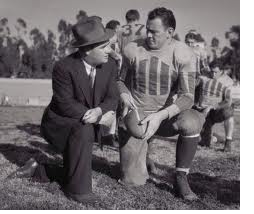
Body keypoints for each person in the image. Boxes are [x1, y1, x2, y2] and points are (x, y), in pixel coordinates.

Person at [8, 17, 119, 204]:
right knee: (83, 130)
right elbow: (64, 104)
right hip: (60, 123)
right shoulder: (63, 67)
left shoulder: (109, 65)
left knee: (76, 167)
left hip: (87, 121)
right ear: (87, 50)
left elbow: (112, 97)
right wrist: (97, 119)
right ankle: (78, 192)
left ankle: (38, 168)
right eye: (104, 47)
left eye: (109, 45)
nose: (110, 50)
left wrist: (100, 110)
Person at [117, 7, 204, 201]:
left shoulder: (183, 52)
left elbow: (188, 96)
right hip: (138, 117)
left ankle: (181, 176)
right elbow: (120, 80)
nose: (148, 35)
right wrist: (123, 94)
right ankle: (143, 154)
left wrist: (160, 116)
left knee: (191, 121)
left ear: (170, 32)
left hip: (165, 117)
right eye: (147, 29)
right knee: (133, 181)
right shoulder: (133, 48)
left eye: (154, 31)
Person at [195, 60, 235, 152]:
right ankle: (215, 138)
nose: (213, 74)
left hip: (215, 111)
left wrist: (212, 106)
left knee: (229, 112)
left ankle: (228, 142)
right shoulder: (203, 76)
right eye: (211, 71)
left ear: (221, 71)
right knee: (205, 143)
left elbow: (228, 101)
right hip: (202, 111)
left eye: (215, 72)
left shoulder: (227, 81)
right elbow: (194, 91)